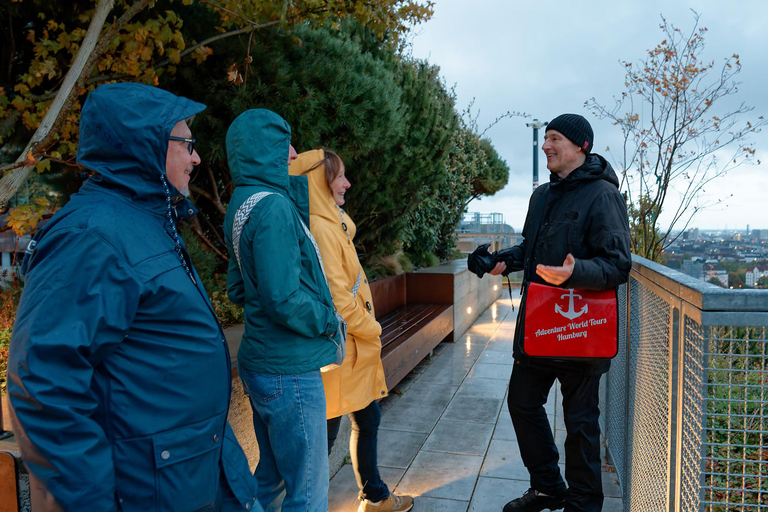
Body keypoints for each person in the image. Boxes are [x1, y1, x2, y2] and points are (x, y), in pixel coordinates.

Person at [7, 83, 260, 511]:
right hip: (152, 489)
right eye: (187, 143)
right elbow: (43, 384)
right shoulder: (91, 236)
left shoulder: (145, 220)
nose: (196, 158)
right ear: (146, 144)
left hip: (196, 474)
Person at [487, 114, 631, 512]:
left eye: (555, 138)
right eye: (545, 137)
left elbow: (618, 265)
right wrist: (499, 260)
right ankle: (548, 486)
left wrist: (575, 273)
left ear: (581, 146)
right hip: (539, 328)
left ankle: (583, 505)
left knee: (581, 425)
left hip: (582, 330)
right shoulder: (541, 196)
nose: (546, 145)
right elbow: (529, 251)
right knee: (522, 403)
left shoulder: (603, 196)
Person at [223, 110, 343, 512]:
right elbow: (282, 298)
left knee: (271, 479)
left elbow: (238, 286)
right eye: (283, 143)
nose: (293, 153)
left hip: (261, 360)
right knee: (308, 491)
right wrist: (328, 321)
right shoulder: (273, 207)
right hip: (289, 368)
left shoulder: (241, 202)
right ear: (262, 150)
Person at [288, 149, 414, 512]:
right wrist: (370, 327)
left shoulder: (331, 222)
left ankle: (374, 496)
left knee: (366, 416)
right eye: (339, 176)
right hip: (340, 347)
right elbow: (337, 296)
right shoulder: (323, 228)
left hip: (348, 347)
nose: (347, 182)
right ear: (318, 181)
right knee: (323, 437)